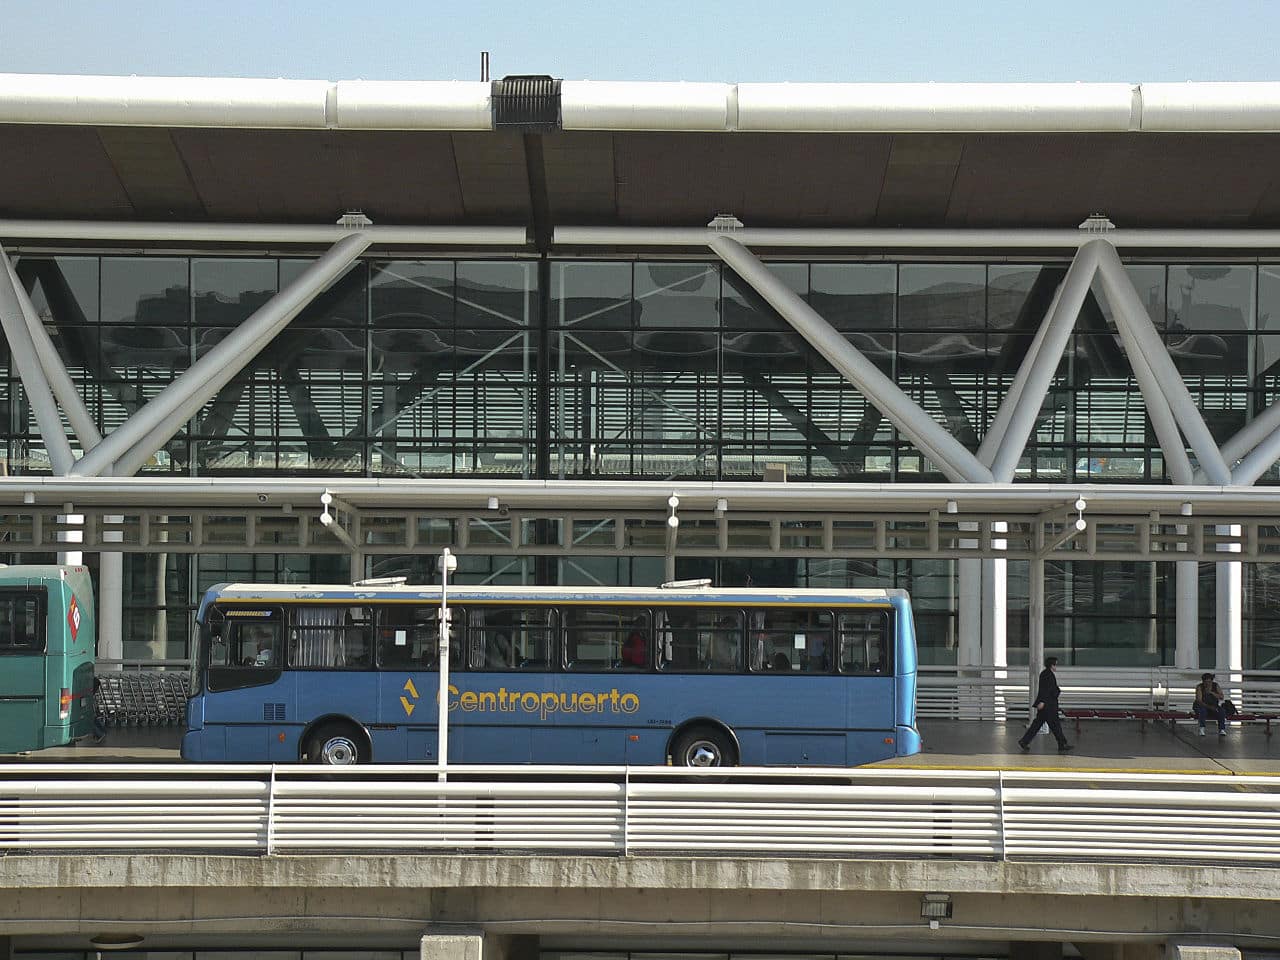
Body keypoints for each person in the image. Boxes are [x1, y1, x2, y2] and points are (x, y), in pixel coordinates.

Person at [1018, 656, 1073, 753]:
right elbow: (1046, 690)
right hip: (1049, 706)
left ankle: (1024, 741)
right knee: (1055, 725)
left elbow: (1045, 689)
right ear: (1052, 665)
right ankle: (1062, 743)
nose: (1056, 667)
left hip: (1046, 705)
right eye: (1055, 664)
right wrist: (1043, 701)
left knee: (1037, 724)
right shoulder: (1048, 675)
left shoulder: (1045, 674)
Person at [1194, 672, 1229, 737]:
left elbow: (1221, 697)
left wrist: (1212, 693)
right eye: (1206, 682)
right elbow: (1199, 700)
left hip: (1214, 705)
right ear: (1203, 681)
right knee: (1203, 711)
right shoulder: (1200, 687)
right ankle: (1202, 728)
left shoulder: (1215, 685)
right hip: (1202, 705)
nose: (1208, 684)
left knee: (1221, 711)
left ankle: (1222, 729)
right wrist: (1209, 707)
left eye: (1209, 682)